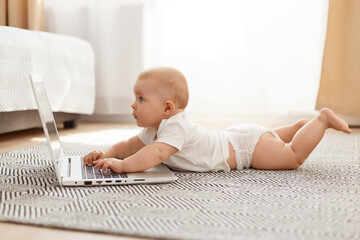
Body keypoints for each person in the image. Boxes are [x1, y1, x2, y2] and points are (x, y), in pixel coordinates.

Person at [83, 67, 352, 173]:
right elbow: (128, 145)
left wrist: (121, 166)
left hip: (247, 149)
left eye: (141, 99)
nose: (133, 104)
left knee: (291, 156)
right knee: (275, 136)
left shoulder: (175, 127)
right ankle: (296, 127)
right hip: (238, 136)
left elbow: (150, 156)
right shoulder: (156, 127)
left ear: (167, 108)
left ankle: (321, 121)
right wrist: (105, 153)